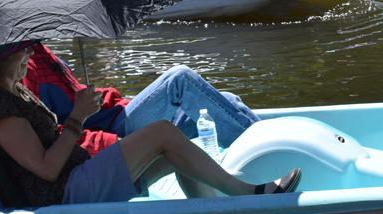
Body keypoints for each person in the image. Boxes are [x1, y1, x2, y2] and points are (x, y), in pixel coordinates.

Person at [0, 34, 301, 207]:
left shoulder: (14, 93)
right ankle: (248, 195)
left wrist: (78, 118)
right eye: (22, 48)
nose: (30, 52)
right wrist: (76, 118)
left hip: (77, 174)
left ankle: (216, 212)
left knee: (172, 153)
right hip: (66, 190)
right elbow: (45, 169)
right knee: (164, 132)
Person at [23, 44, 260, 150]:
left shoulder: (42, 52)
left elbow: (75, 99)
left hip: (117, 113)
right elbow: (51, 132)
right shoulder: (27, 68)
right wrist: (106, 140)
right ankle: (264, 148)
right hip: (117, 131)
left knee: (226, 100)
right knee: (179, 79)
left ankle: (271, 145)